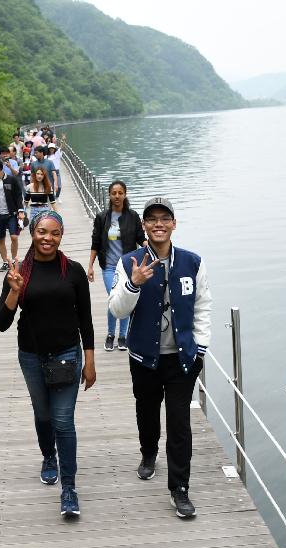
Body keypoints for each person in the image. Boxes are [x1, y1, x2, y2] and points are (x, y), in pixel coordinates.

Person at [108, 197, 212, 519]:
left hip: (182, 359)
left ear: (174, 223)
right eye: (151, 219)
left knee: (179, 422)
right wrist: (133, 284)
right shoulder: (130, 263)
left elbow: (202, 306)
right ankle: (149, 452)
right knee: (147, 409)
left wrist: (201, 348)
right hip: (144, 357)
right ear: (144, 226)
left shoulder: (192, 263)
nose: (158, 224)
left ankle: (179, 488)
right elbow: (116, 309)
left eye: (164, 218)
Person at [0, 211, 96, 517]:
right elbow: (1, 322)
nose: (47, 238)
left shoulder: (74, 271)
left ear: (61, 235)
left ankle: (69, 488)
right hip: (31, 355)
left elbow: (86, 320)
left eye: (54, 233)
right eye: (41, 231)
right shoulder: (19, 272)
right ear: (32, 233)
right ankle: (48, 457)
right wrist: (14, 291)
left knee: (63, 421)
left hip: (67, 354)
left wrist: (89, 362)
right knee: (43, 415)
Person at [87, 180, 146, 352]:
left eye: (120, 193)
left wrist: (151, 247)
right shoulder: (102, 217)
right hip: (109, 267)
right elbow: (95, 243)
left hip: (127, 267)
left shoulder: (132, 216)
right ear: (110, 195)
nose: (117, 196)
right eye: (114, 193)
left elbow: (139, 237)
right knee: (115, 298)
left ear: (125, 194)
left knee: (125, 298)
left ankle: (123, 336)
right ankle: (111, 334)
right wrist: (90, 266)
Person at [0, 158, 25, 271]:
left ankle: (13, 260)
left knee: (14, 237)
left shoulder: (12, 180)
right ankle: (5, 262)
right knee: (1, 239)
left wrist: (21, 211)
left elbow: (18, 196)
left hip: (12, 214)